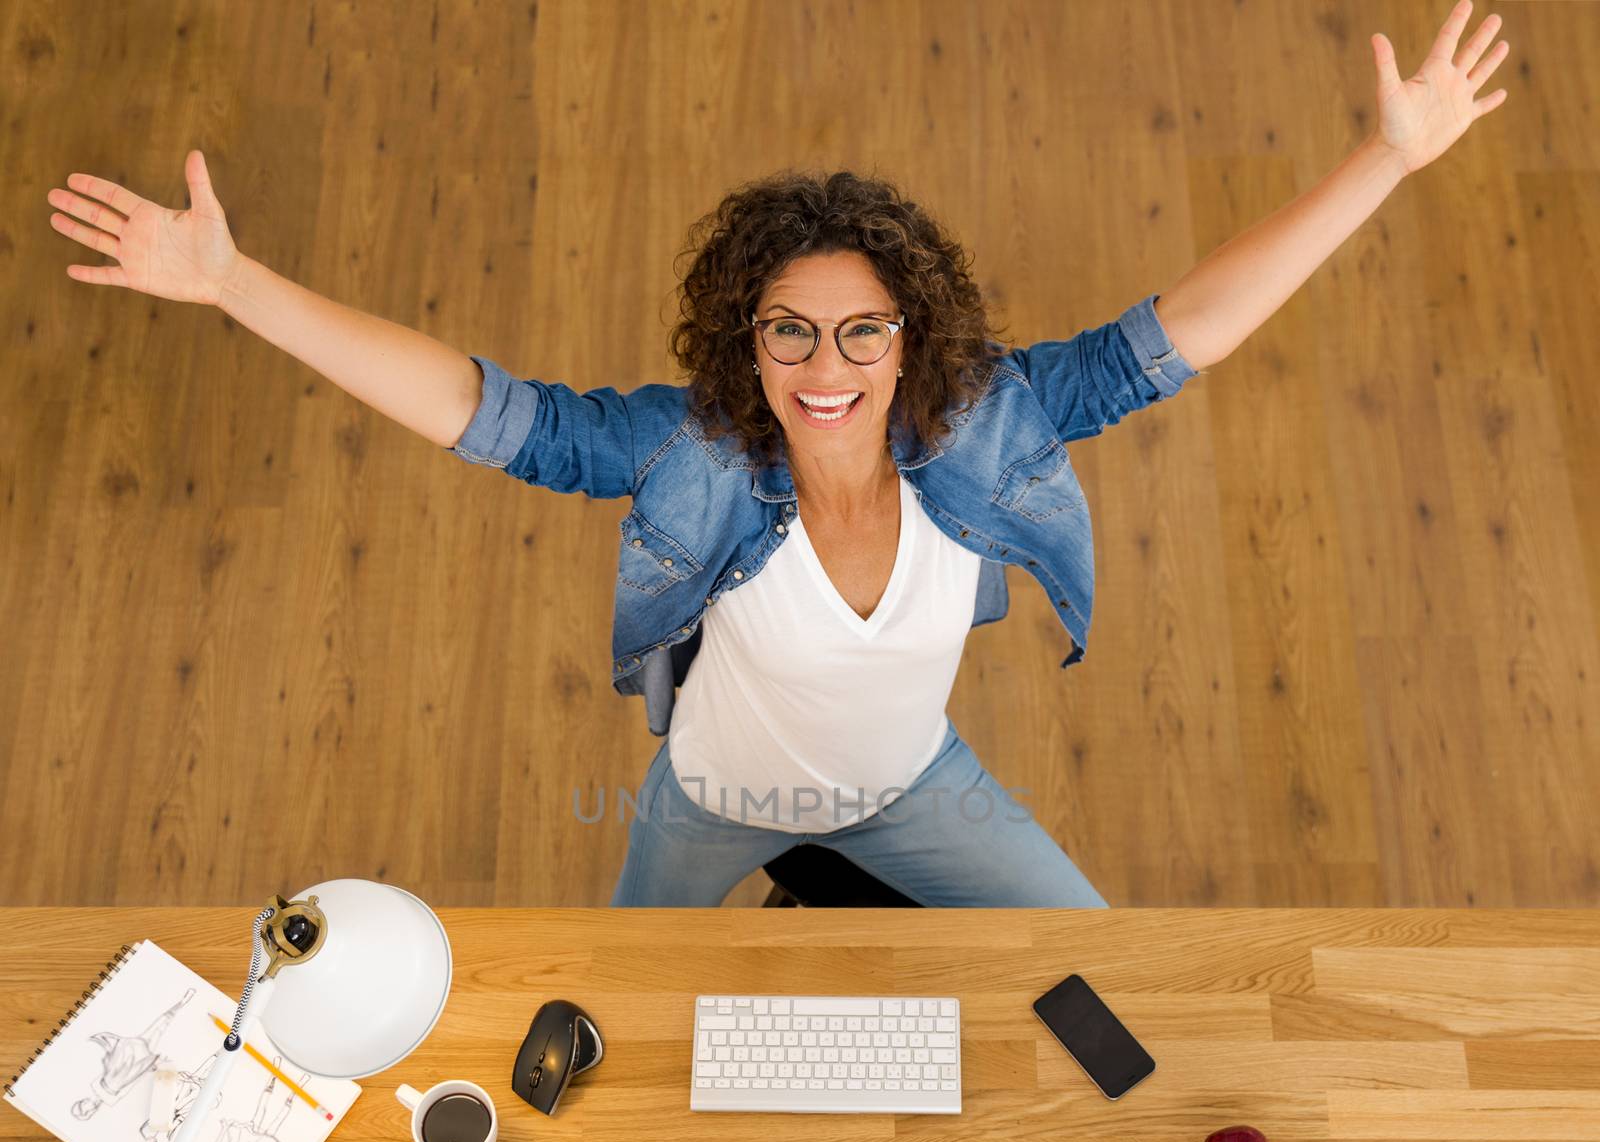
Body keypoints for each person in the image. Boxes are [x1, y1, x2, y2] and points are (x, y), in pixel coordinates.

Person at [48, 153, 1199, 906]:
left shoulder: (992, 425)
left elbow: (1173, 338)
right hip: (707, 801)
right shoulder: (686, 451)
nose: (826, 367)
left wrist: (1389, 154)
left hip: (916, 787)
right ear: (746, 339)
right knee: (614, 1014)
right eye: (788, 330)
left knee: (1099, 954)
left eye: (863, 331)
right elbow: (489, 412)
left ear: (910, 336)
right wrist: (236, 282)